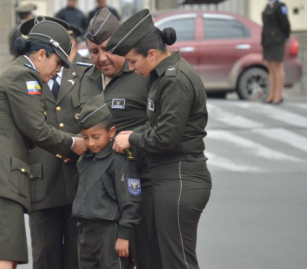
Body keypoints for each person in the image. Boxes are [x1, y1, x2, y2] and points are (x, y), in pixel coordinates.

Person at [0, 19, 87, 269]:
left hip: (0, 178)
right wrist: (73, 144)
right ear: (40, 54)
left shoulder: (15, 72)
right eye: (57, 63)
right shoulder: (23, 75)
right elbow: (37, 130)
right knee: (2, 254)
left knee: (7, 253)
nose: (56, 70)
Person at [107, 9, 212, 269]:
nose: (131, 68)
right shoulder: (161, 75)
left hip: (180, 178)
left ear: (151, 54)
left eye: (133, 61)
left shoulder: (174, 80)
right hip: (170, 177)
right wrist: (135, 133)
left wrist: (133, 139)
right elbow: (158, 124)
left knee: (179, 262)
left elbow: (166, 136)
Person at [79, 10, 153, 268]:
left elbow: (159, 126)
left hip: (134, 185)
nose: (101, 58)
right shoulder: (83, 79)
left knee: (141, 257)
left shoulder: (142, 76)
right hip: (94, 199)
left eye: (107, 49)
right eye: (93, 51)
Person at [19, 17, 87, 269]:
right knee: (45, 254)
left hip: (77, 176)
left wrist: (81, 147)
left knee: (76, 254)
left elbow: (95, 119)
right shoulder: (22, 78)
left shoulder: (83, 73)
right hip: (41, 178)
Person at [72, 94, 141, 269]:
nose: (90, 143)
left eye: (96, 137)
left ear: (111, 132)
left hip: (109, 232)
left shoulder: (119, 160)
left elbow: (130, 200)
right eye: (85, 137)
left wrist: (124, 235)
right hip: (85, 230)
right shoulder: (85, 159)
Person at [262, 0, 290, 105]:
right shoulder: (268, 5)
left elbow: (285, 23)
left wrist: (286, 37)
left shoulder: (280, 6)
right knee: (270, 67)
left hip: (277, 40)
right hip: (268, 40)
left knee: (278, 66)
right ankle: (272, 95)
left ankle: (279, 95)